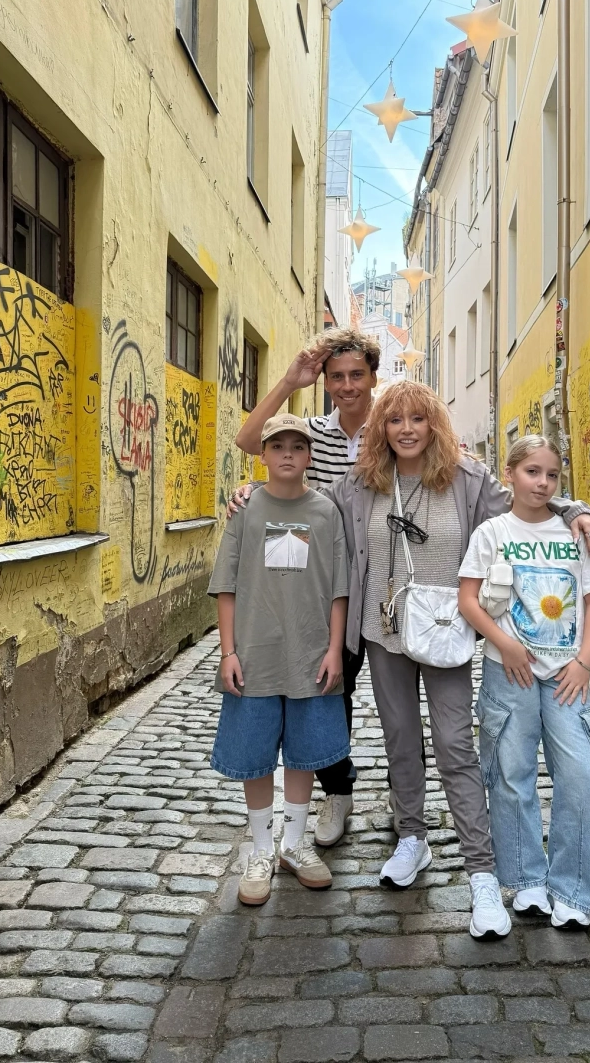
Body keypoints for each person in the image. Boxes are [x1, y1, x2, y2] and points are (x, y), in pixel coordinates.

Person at [322, 382, 590, 941]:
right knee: (400, 740)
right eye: (394, 419)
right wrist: (250, 494)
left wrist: (577, 510)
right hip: (384, 630)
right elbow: (307, 504)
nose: (406, 429)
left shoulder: (466, 478)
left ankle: (480, 873)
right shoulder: (361, 481)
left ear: (434, 424)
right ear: (381, 427)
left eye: (417, 419)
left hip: (448, 632)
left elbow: (529, 500)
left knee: (454, 745)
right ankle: (412, 838)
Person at [232, 327, 408, 848]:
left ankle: (406, 795)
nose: (347, 385)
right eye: (336, 377)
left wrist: (563, 506)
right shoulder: (311, 432)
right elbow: (250, 442)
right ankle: (338, 792)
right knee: (332, 690)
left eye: (356, 375)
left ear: (373, 377)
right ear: (325, 381)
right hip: (320, 583)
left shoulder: (392, 428)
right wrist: (291, 380)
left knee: (400, 696)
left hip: (385, 579)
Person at [458, 435, 590, 929]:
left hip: (566, 675)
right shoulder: (492, 532)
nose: (543, 483)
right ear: (509, 474)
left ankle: (572, 889)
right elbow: (467, 599)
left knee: (580, 776)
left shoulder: (577, 532)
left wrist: (584, 662)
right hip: (509, 673)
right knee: (512, 775)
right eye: (532, 472)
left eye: (551, 474)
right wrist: (503, 644)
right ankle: (527, 879)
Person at [208, 414, 350, 906]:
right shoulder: (246, 510)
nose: (288, 453)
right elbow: (226, 584)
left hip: (311, 652)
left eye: (297, 446)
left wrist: (334, 648)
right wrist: (228, 651)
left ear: (309, 455)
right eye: (277, 446)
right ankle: (261, 848)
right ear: (263, 454)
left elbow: (339, 588)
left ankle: (293, 843)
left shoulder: (326, 511)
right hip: (255, 653)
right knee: (255, 752)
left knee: (305, 750)